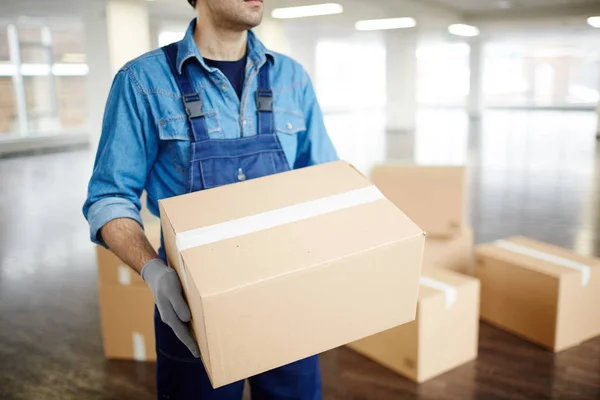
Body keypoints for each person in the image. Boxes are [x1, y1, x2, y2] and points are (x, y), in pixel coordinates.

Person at [83, 0, 338, 398]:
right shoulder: (142, 82)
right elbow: (109, 198)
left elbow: (324, 181)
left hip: (289, 298)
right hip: (194, 310)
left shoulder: (292, 78)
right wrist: (155, 272)